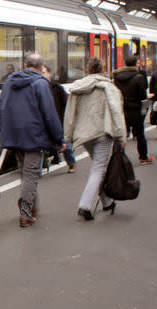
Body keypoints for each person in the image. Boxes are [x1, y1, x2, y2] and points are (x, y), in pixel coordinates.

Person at [0, 53, 66, 228]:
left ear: (25, 64)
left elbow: (1, 109)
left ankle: (32, 207)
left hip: (14, 134)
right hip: (34, 135)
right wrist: (59, 139)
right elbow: (50, 114)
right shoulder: (40, 83)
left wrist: (4, 132)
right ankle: (26, 215)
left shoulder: (9, 82)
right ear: (41, 67)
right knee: (30, 175)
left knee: (24, 173)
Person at [64, 57, 127, 220]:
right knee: (98, 168)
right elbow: (116, 111)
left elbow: (70, 114)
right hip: (102, 133)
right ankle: (85, 205)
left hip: (85, 134)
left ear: (88, 70)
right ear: (103, 70)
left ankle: (107, 201)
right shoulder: (109, 87)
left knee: (97, 168)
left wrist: (69, 135)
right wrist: (121, 135)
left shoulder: (79, 87)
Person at [113, 55, 153, 165]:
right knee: (140, 135)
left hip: (121, 110)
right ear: (135, 64)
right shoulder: (139, 77)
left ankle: (119, 159)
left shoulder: (117, 77)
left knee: (121, 135)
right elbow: (142, 96)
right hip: (135, 109)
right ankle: (143, 157)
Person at [41, 65, 76, 173]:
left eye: (44, 72)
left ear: (49, 74)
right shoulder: (37, 88)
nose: (42, 75)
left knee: (66, 146)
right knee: (40, 146)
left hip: (58, 121)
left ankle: (71, 164)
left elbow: (66, 104)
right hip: (43, 122)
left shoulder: (57, 88)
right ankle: (38, 170)